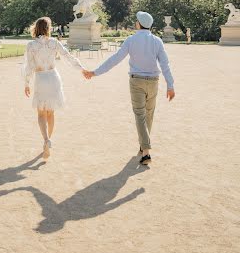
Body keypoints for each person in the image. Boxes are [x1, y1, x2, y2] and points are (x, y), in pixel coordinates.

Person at [83, 11, 175, 165]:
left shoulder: (131, 40)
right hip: (153, 81)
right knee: (149, 114)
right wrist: (170, 85)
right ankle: (143, 145)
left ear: (138, 24)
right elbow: (165, 64)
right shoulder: (157, 41)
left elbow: (115, 59)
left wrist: (95, 73)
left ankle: (145, 151)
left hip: (136, 81)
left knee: (140, 115)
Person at [23, 16, 84, 159]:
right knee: (50, 113)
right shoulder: (54, 43)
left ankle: (46, 140)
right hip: (53, 78)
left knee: (41, 113)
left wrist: (26, 83)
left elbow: (29, 66)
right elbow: (68, 57)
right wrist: (81, 68)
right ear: (48, 29)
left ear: (36, 28)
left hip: (40, 78)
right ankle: (48, 141)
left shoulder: (31, 45)